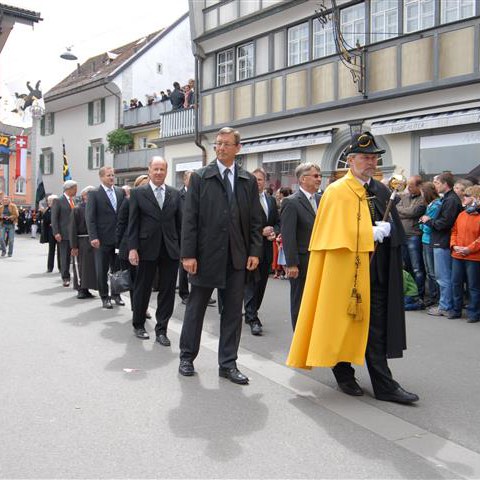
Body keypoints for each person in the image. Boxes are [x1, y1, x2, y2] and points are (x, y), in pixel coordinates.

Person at [287, 131, 419, 405]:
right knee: (343, 323)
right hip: (347, 272)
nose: (371, 162)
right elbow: (329, 234)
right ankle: (343, 373)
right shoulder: (337, 191)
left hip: (378, 271)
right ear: (350, 161)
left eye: (374, 158)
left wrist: (390, 236)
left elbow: (392, 227)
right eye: (365, 157)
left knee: (377, 328)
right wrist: (366, 234)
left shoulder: (381, 189)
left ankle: (384, 384)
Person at [178, 127, 263, 384]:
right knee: (196, 309)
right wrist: (188, 255)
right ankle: (186, 357)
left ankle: (227, 364)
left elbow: (255, 221)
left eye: (226, 144)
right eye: (218, 144)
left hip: (236, 257)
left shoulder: (247, 181)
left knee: (232, 313)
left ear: (238, 148)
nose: (221, 148)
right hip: (205, 256)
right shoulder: (201, 177)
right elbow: (189, 219)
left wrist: (255, 251)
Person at [128, 157, 182, 346]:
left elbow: (180, 224)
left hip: (170, 249)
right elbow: (132, 223)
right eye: (155, 169)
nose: (159, 172)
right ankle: (139, 324)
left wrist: (183, 249)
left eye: (162, 169)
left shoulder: (175, 194)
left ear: (166, 172)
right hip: (145, 248)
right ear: (149, 170)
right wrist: (132, 248)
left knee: (167, 291)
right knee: (142, 288)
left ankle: (162, 330)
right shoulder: (138, 193)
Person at [280, 163, 322, 329]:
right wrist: (291, 264)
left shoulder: (321, 199)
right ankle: (299, 337)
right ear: (303, 179)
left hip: (320, 258)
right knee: (300, 301)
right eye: (315, 176)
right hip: (302, 262)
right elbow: (288, 235)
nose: (319, 179)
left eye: (319, 175)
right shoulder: (291, 202)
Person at [420, 172, 463, 317]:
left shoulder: (451, 200)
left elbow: (444, 223)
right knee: (443, 276)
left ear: (445, 184)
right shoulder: (448, 199)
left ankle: (445, 306)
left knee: (443, 277)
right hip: (441, 240)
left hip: (443, 241)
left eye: (437, 183)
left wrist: (428, 220)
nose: (435, 185)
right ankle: (445, 304)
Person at [243, 167, 279, 335]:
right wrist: (260, 232)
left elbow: (278, 222)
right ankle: (252, 318)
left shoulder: (271, 201)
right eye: (254, 179)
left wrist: (274, 231)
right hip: (250, 249)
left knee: (262, 284)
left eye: (259, 179)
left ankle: (252, 311)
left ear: (265, 182)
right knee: (251, 283)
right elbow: (242, 226)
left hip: (267, 249)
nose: (257, 182)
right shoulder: (245, 200)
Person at [86, 166, 126, 309]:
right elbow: (90, 218)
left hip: (118, 239)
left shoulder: (120, 192)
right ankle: (104, 296)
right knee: (102, 269)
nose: (111, 178)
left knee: (117, 269)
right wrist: (93, 237)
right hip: (102, 239)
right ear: (101, 177)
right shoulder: (94, 194)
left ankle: (116, 294)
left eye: (113, 175)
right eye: (108, 175)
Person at [178, 170, 216, 307]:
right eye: (190, 178)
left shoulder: (202, 192)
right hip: (184, 236)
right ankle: (184, 293)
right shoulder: (179, 195)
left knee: (201, 267)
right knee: (184, 268)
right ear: (185, 180)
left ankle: (204, 294)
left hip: (200, 237)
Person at [449, 185, 480, 322]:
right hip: (458, 255)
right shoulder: (461, 215)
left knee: (473, 286)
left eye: (467, 196)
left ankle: (474, 313)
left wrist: (469, 248)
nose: (463, 198)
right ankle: (456, 310)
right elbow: (454, 231)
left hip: (473, 256)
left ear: (475, 198)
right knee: (456, 283)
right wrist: (454, 245)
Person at [396, 175, 426, 304]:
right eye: (408, 185)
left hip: (414, 235)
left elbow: (413, 212)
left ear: (419, 186)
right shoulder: (405, 197)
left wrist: (403, 211)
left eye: (411, 185)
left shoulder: (422, 199)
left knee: (417, 267)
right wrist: (405, 211)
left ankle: (419, 295)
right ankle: (409, 291)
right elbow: (396, 209)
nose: (408, 188)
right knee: (406, 266)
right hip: (403, 235)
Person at [70, 186, 97, 299]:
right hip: (82, 241)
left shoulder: (96, 208)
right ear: (84, 196)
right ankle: (81, 289)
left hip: (94, 241)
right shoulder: (77, 209)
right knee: (81, 266)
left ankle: (87, 288)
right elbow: (72, 229)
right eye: (89, 194)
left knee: (91, 267)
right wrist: (74, 246)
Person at [419, 182, 442, 306]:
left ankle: (437, 298)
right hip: (425, 239)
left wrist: (423, 223)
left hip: (430, 239)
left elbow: (427, 225)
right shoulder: (431, 205)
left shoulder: (436, 205)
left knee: (433, 272)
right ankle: (433, 297)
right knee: (429, 271)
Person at [52, 180, 78, 286]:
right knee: (65, 257)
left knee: (74, 256)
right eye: (75, 188)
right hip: (64, 234)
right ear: (69, 189)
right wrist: (56, 232)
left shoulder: (73, 201)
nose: (76, 190)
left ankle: (76, 276)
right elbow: (54, 218)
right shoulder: (58, 200)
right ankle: (65, 277)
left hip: (74, 233)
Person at [40, 194, 60, 272]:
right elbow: (45, 220)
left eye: (50, 201)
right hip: (51, 232)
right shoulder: (48, 210)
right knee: (51, 250)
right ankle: (50, 267)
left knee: (60, 251)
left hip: (59, 231)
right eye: (48, 201)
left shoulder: (59, 209)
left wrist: (55, 223)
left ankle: (60, 267)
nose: (48, 202)